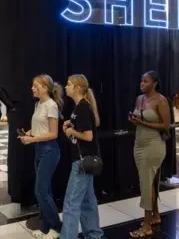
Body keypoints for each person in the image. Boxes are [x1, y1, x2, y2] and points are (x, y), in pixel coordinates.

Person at [20, 74, 63, 238]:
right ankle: (46, 227)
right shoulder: (38, 104)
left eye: (35, 85)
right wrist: (28, 133)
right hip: (39, 149)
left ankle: (58, 228)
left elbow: (53, 134)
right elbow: (39, 127)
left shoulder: (51, 106)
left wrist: (33, 139)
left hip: (49, 151)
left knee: (41, 191)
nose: (32, 88)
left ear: (45, 88)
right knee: (45, 191)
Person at [61, 74, 103, 239]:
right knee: (88, 201)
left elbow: (88, 136)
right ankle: (94, 234)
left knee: (71, 203)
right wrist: (70, 125)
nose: (66, 87)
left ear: (77, 88)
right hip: (83, 159)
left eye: (69, 84)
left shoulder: (83, 107)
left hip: (82, 161)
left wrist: (71, 131)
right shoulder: (80, 107)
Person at [128, 71, 169, 238]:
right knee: (150, 183)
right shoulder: (140, 99)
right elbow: (138, 119)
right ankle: (155, 216)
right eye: (141, 81)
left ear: (154, 83)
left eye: (146, 81)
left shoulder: (161, 100)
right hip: (139, 144)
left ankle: (146, 226)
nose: (142, 84)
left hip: (153, 146)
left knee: (146, 185)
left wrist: (143, 122)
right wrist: (134, 120)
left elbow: (166, 124)